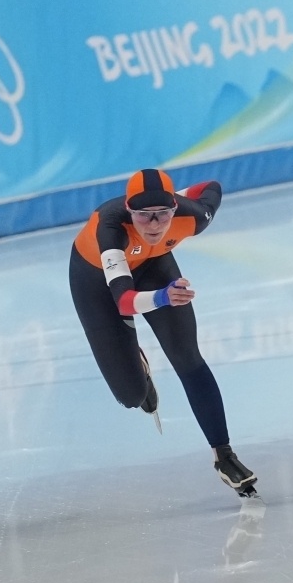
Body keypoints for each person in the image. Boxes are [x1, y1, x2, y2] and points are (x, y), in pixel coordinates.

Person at [69, 168, 257, 496]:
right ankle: (136, 363)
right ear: (129, 210)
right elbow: (124, 302)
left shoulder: (193, 216)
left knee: (188, 358)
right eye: (144, 216)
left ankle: (224, 455)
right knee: (132, 396)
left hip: (154, 267)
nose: (154, 225)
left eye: (163, 214)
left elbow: (211, 185)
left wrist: (176, 198)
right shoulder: (111, 228)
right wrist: (162, 297)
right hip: (96, 281)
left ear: (174, 208)